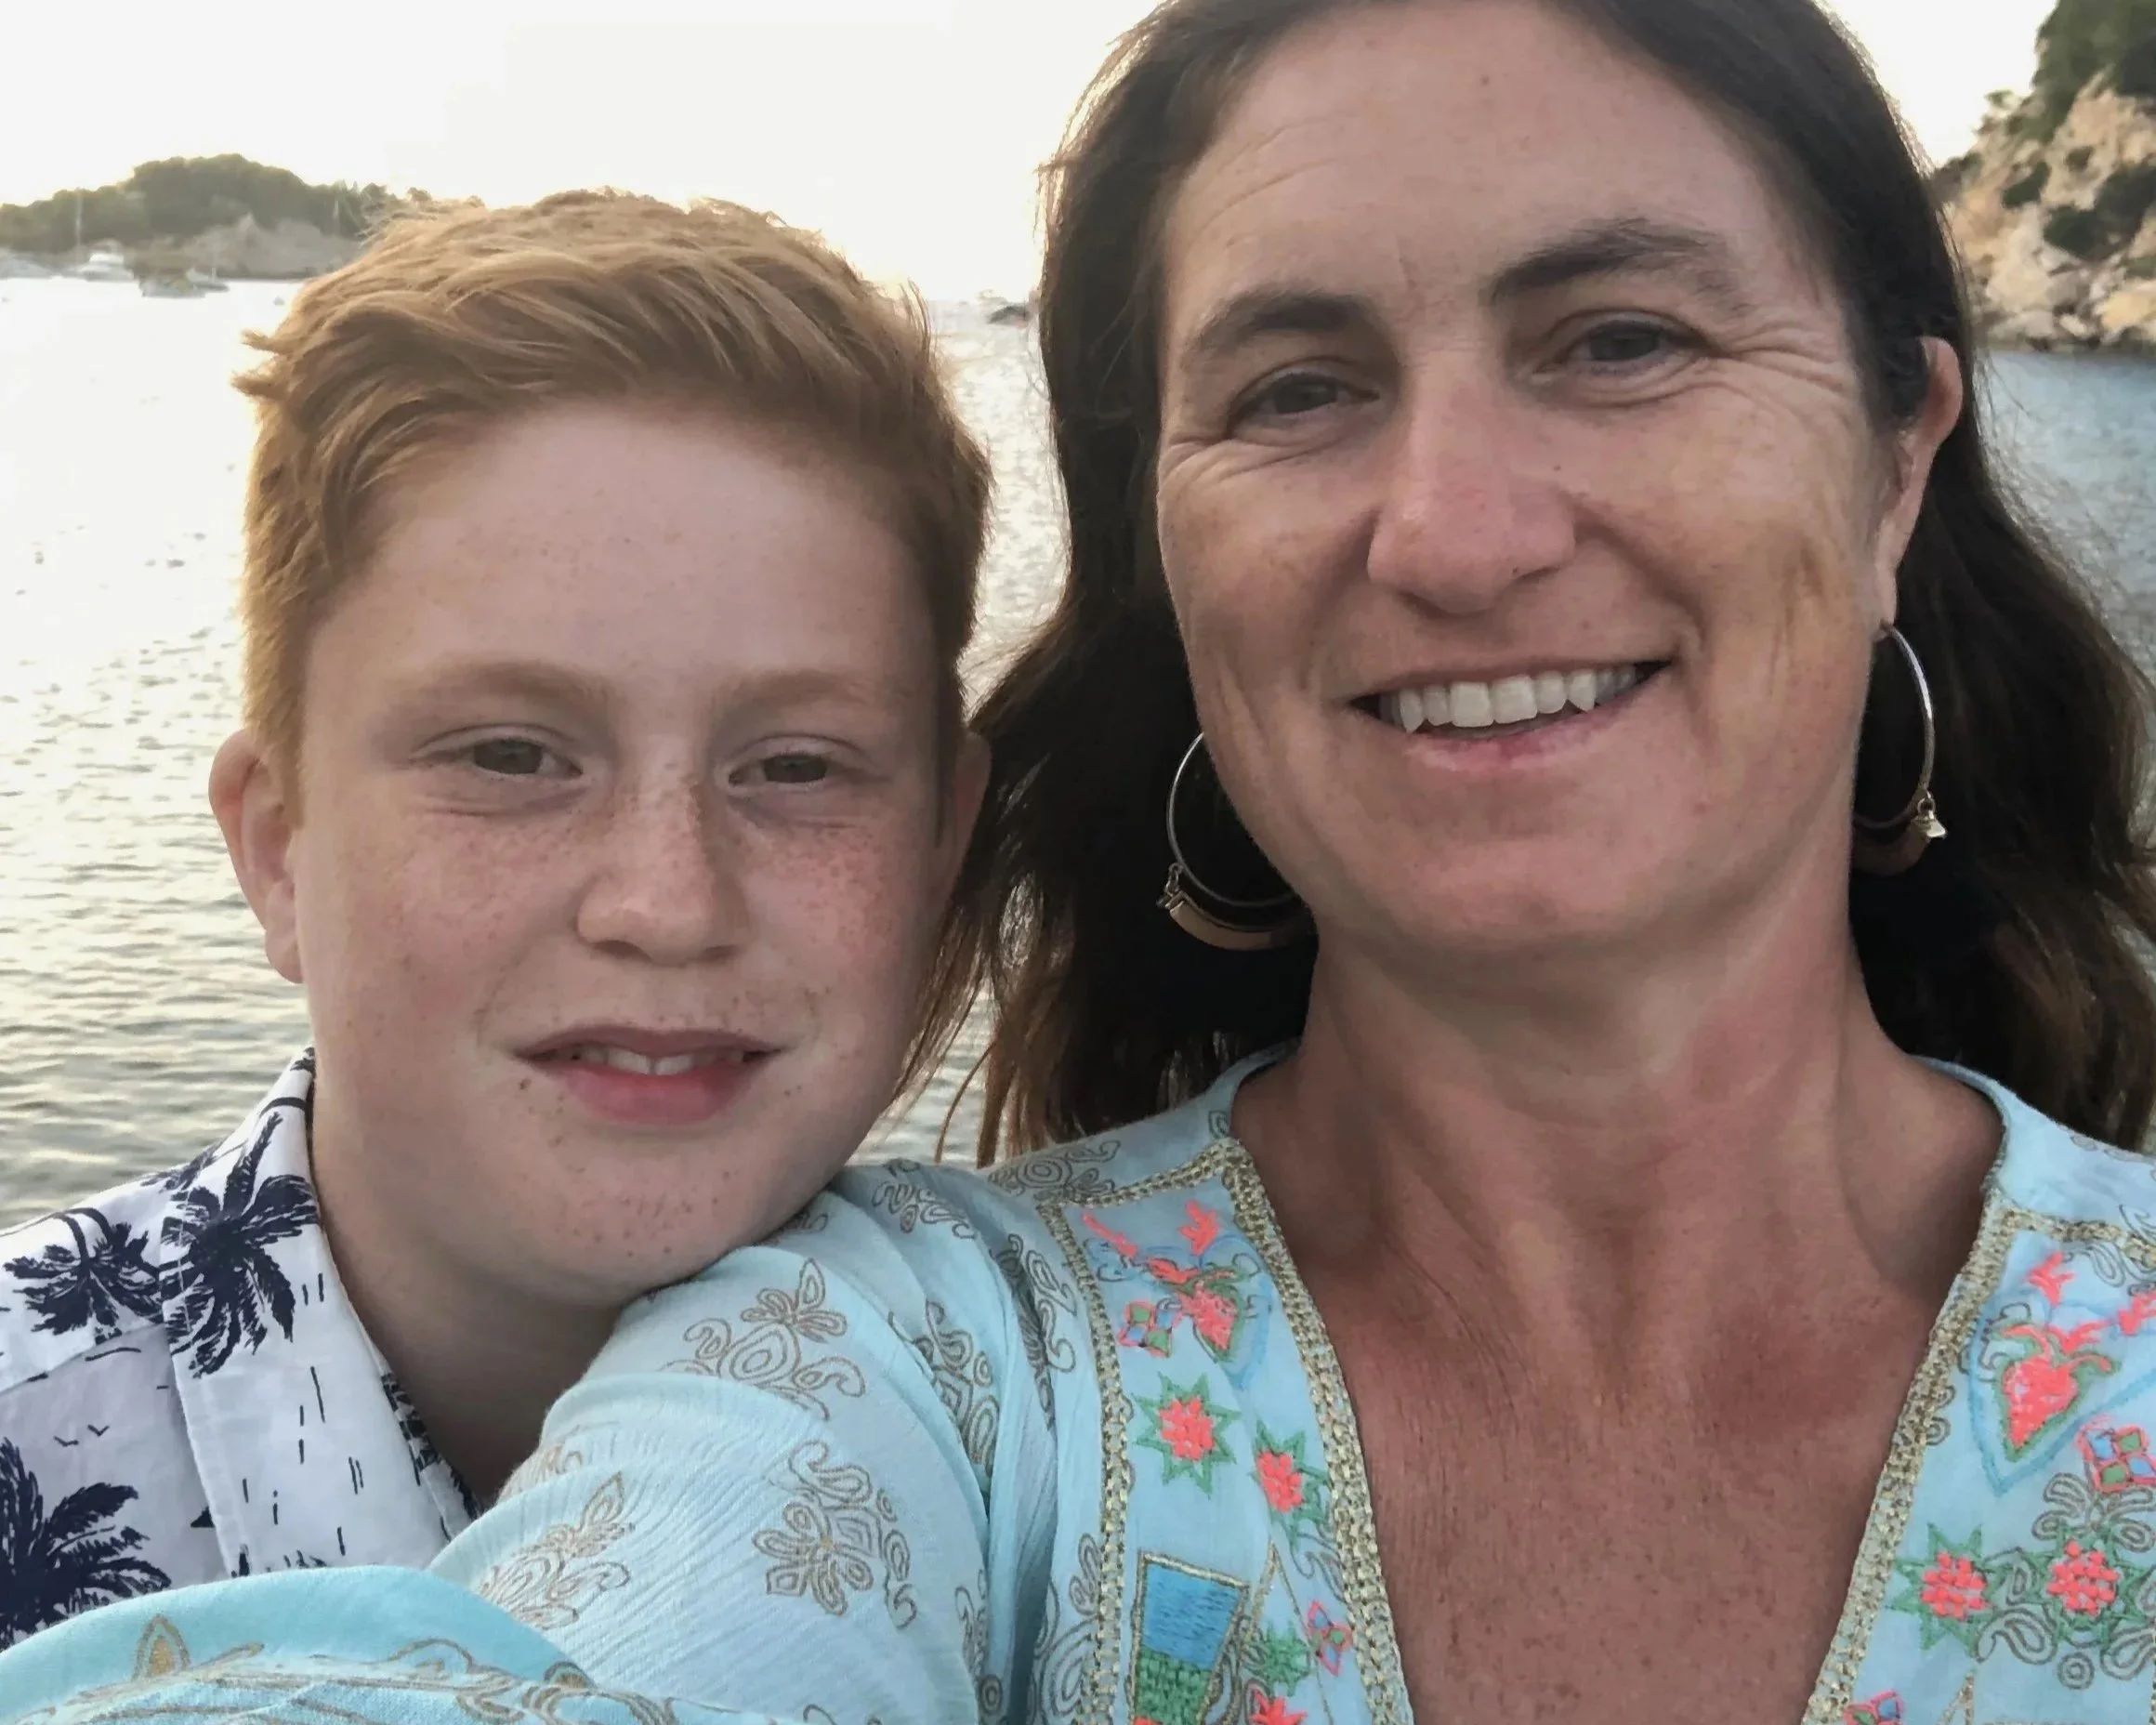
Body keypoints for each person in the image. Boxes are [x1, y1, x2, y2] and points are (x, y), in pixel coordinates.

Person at [8, 0, 2156, 1718]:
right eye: (1299, 384)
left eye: (1618, 339)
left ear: (1895, 457)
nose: (1453, 527)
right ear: (1175, 559)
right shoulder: (915, 1369)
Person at [0, 191, 989, 1646]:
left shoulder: (1114, 1454)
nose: (666, 902)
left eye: (794, 767)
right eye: (510, 758)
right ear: (279, 849)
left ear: (943, 847)